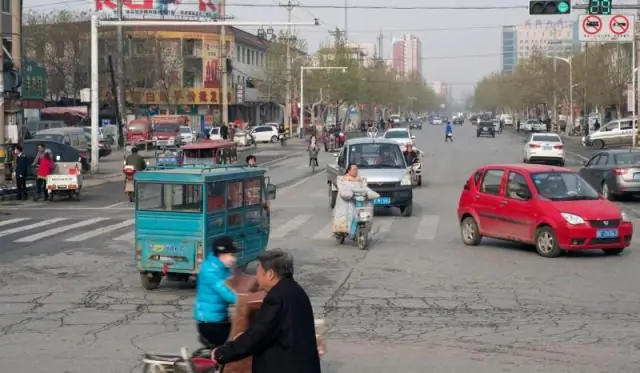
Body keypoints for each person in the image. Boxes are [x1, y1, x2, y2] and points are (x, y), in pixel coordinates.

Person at [212, 250, 321, 373]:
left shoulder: (277, 298)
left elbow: (258, 335)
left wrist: (223, 353)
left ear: (270, 274)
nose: (256, 276)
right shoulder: (295, 291)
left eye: (259, 271)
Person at [194, 236, 239, 347]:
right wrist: (244, 300)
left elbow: (237, 284)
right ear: (221, 254)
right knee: (236, 346)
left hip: (221, 319)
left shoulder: (224, 268)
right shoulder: (210, 271)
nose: (234, 259)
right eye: (231, 255)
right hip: (210, 323)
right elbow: (227, 293)